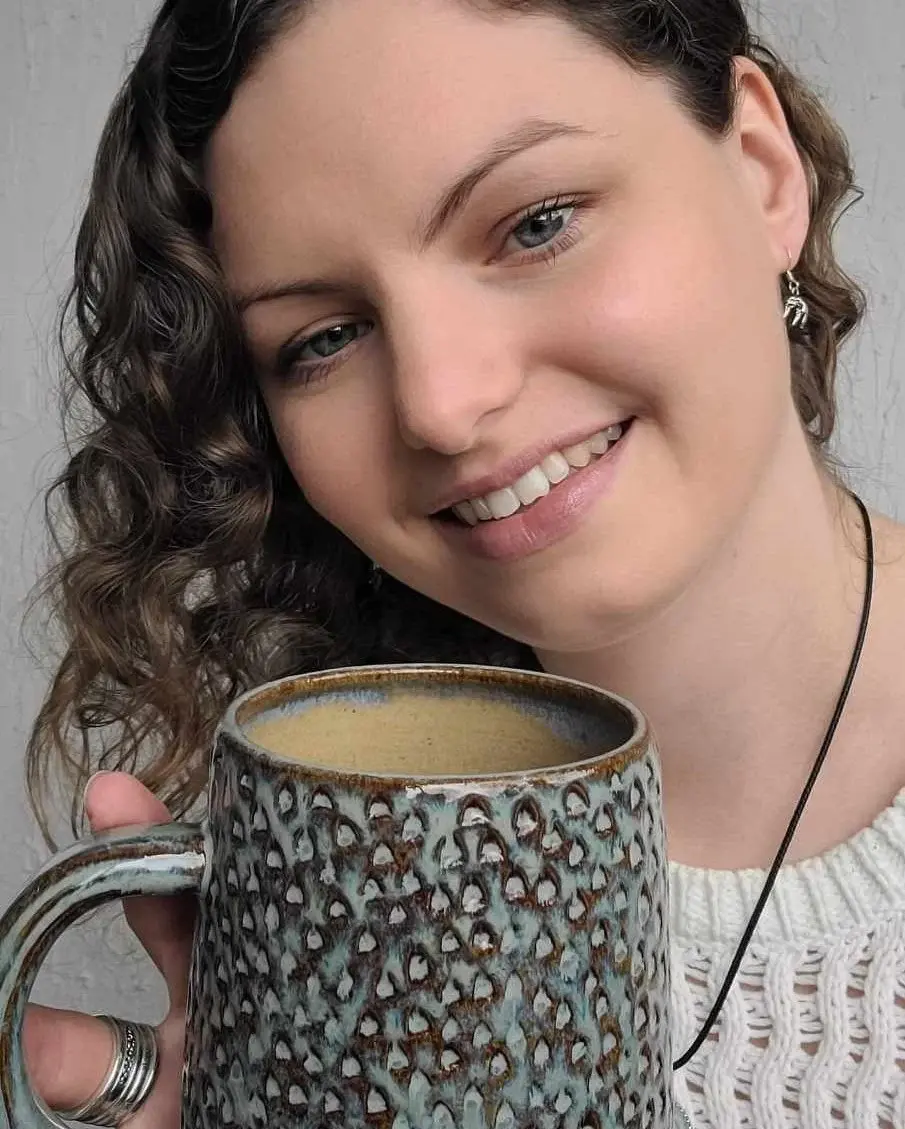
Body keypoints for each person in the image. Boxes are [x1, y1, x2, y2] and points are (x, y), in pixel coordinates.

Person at [14, 0, 904, 1126]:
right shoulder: (310, 897)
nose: (440, 404)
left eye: (535, 224)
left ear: (764, 174)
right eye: (323, 338)